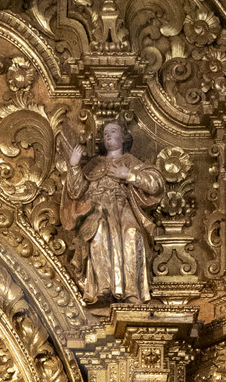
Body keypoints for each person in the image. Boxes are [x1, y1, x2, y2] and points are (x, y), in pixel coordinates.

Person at [61, 122, 165, 304]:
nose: (108, 135)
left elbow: (155, 185)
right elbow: (76, 191)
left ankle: (132, 292)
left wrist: (129, 175)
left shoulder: (130, 162)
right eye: (106, 132)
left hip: (122, 207)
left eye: (113, 131)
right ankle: (103, 289)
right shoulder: (95, 164)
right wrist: (74, 166)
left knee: (132, 235)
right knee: (99, 233)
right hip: (97, 209)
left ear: (123, 137)